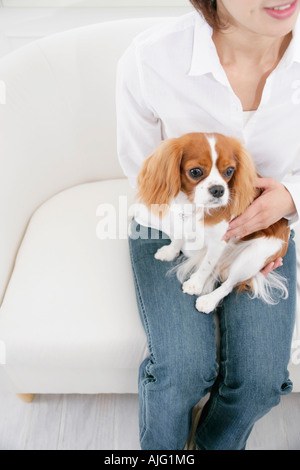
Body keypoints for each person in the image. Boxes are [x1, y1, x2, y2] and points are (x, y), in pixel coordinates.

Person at [116, 0, 300, 450]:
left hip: (267, 225)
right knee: (180, 370)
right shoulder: (151, 59)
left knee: (259, 381)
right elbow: (142, 175)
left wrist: (290, 197)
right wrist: (195, 230)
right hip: (170, 226)